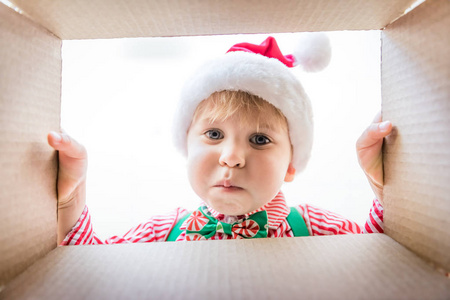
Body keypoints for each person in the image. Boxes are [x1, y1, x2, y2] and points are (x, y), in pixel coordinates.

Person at [47, 35, 392, 245]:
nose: (231, 157)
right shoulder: (162, 233)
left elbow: (386, 262)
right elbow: (89, 275)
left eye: (259, 139)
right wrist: (69, 199)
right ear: (187, 147)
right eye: (214, 134)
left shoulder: (318, 228)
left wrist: (385, 188)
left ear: (291, 164)